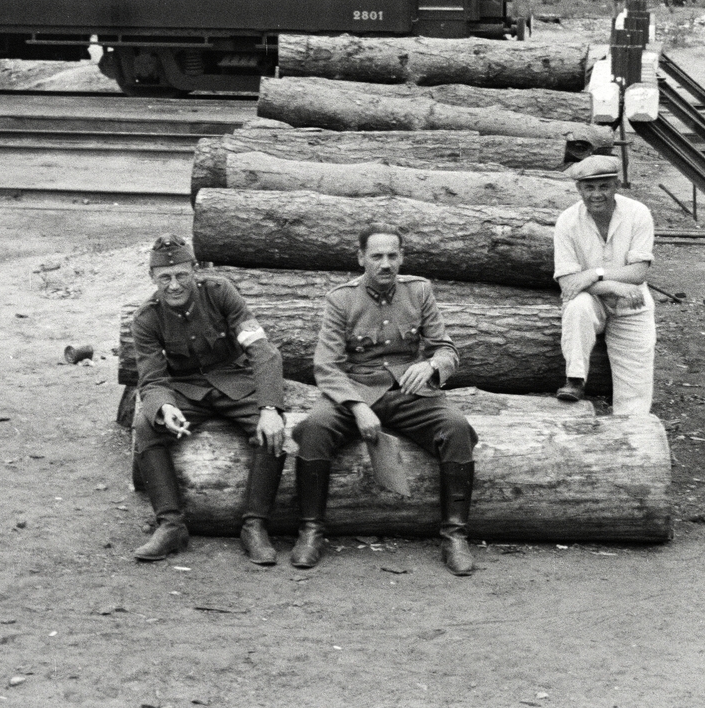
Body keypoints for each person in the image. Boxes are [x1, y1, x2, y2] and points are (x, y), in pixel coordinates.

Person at [290, 224, 479, 575]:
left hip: (409, 392)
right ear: (361, 258)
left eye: (393, 255)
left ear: (402, 257)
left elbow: (446, 348)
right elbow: (326, 365)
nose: (385, 264)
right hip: (355, 390)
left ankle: (455, 536)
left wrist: (432, 365)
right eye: (376, 256)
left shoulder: (419, 291)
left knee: (456, 428)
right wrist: (357, 407)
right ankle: (311, 531)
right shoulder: (341, 299)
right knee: (314, 428)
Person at [130, 234, 287, 564]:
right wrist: (165, 407)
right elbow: (152, 379)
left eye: (182, 275)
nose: (174, 286)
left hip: (234, 382)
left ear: (195, 271)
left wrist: (270, 407)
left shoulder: (219, 292)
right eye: (165, 278)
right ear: (153, 278)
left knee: (273, 429)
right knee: (146, 426)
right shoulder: (147, 318)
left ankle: (254, 526)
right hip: (187, 391)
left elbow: (261, 349)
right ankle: (171, 526)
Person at [551, 154, 656, 414]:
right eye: (589, 187)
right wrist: (610, 284)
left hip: (632, 301)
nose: (596, 194)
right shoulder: (567, 221)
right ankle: (575, 379)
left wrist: (593, 274)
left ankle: (631, 432)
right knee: (577, 306)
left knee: (635, 394)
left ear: (616, 186)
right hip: (594, 299)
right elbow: (567, 282)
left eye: (604, 186)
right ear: (579, 189)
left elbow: (638, 272)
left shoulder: (638, 213)